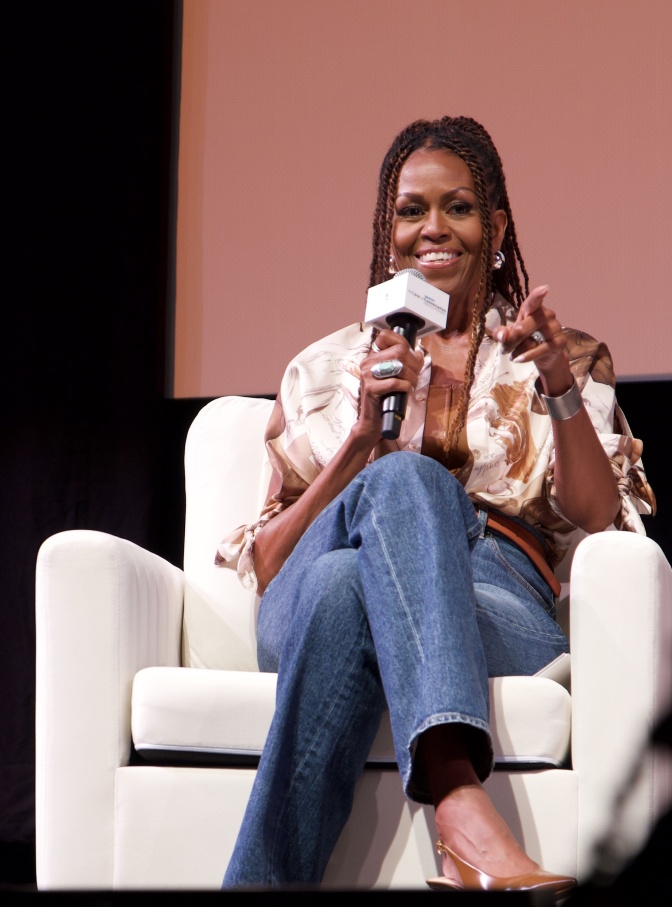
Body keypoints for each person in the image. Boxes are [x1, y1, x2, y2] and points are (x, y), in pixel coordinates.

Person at [215, 116, 655, 893]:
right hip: (307, 584)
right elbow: (271, 564)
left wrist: (558, 384)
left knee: (344, 592)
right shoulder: (323, 369)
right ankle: (461, 805)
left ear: (497, 228)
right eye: (412, 210)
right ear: (388, 233)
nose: (434, 228)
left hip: (497, 595)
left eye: (459, 207)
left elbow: (598, 516)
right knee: (391, 494)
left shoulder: (556, 354)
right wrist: (360, 442)